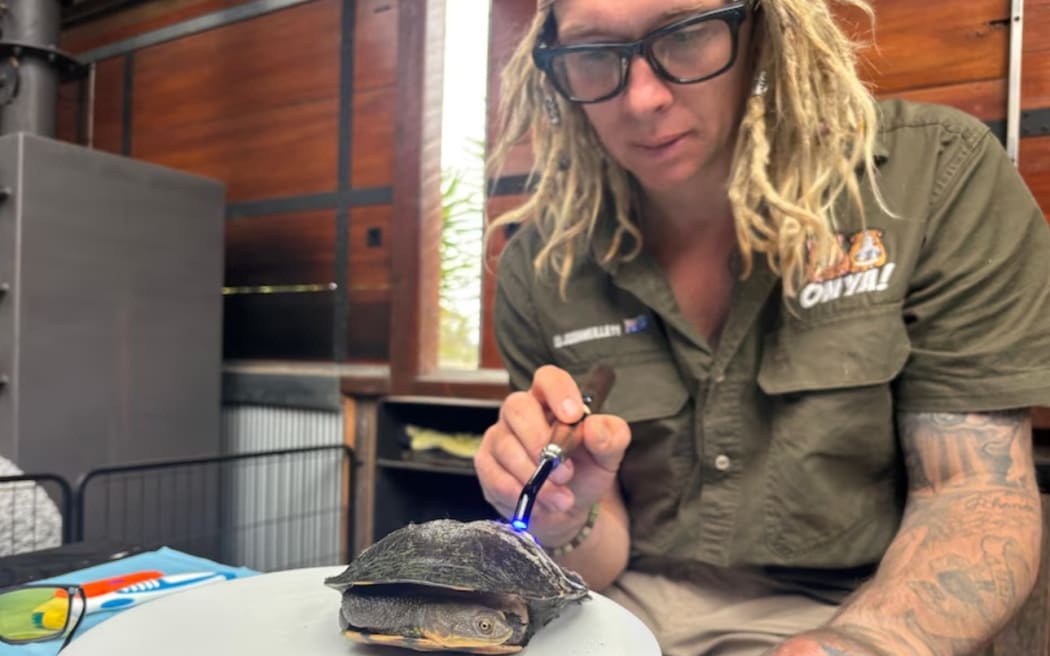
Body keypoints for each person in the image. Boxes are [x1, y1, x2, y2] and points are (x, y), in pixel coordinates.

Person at [473, 0, 1050, 654]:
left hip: (857, 614)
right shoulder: (543, 264)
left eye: (686, 34)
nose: (642, 99)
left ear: (764, 27)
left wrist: (859, 643)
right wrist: (566, 518)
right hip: (617, 621)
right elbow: (596, 561)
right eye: (593, 53)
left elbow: (972, 496)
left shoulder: (931, 177)